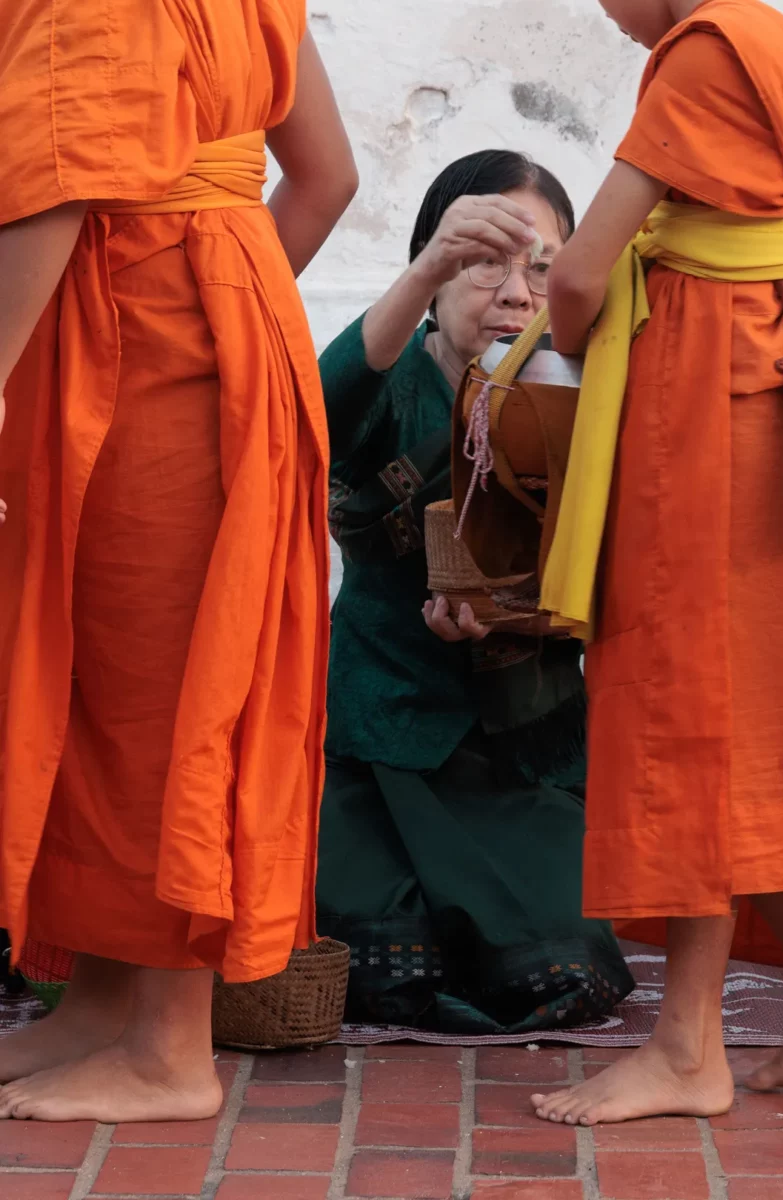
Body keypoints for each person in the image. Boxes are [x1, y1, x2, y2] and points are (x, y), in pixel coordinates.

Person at [0, 0, 357, 1123]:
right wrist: (240, 294)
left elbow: (53, 195)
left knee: (162, 687)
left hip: (140, 345)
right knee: (118, 677)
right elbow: (325, 178)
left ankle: (169, 1049)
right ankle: (102, 1002)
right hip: (209, 329)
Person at [531, 0, 783, 1126]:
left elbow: (582, 270)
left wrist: (559, 348)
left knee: (689, 713)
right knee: (765, 723)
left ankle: (687, 1048)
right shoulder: (773, 34)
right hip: (760, 389)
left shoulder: (699, 51)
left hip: (705, 420)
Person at [316, 151, 634, 1034]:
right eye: (481, 258)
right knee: (377, 967)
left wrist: (520, 618)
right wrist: (418, 274)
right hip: (383, 741)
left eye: (541, 264)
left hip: (518, 749)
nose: (514, 291)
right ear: (430, 266)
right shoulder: (394, 381)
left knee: (564, 972)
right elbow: (318, 411)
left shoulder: (583, 398)